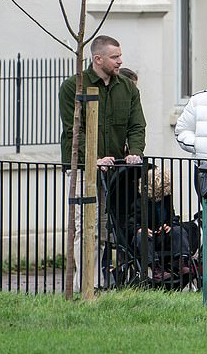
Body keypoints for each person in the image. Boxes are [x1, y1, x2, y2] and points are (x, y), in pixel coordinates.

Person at [59, 35, 146, 291]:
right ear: (98, 59)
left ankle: (102, 283)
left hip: (115, 171)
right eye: (115, 57)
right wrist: (92, 158)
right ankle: (86, 285)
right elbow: (73, 129)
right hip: (82, 169)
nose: (120, 61)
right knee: (85, 228)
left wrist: (135, 152)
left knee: (106, 227)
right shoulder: (73, 86)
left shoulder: (128, 88)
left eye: (120, 56)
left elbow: (137, 125)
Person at [132, 168, 192, 282]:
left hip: (163, 235)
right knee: (142, 237)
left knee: (178, 230)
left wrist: (169, 224)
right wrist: (140, 229)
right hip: (147, 236)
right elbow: (131, 220)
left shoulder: (166, 198)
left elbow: (172, 216)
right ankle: (156, 269)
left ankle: (182, 261)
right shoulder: (139, 201)